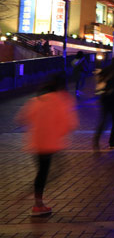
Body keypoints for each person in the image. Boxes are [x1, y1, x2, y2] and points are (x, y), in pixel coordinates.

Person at [15, 74, 78, 216]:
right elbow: (70, 124)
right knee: (54, 171)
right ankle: (35, 200)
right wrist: (57, 133)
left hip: (36, 143)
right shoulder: (62, 100)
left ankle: (37, 202)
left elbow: (21, 119)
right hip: (51, 144)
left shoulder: (36, 100)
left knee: (42, 173)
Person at [93, 51, 114, 150]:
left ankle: (97, 138)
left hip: (105, 97)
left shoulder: (107, 68)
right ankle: (112, 142)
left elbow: (100, 80)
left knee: (104, 119)